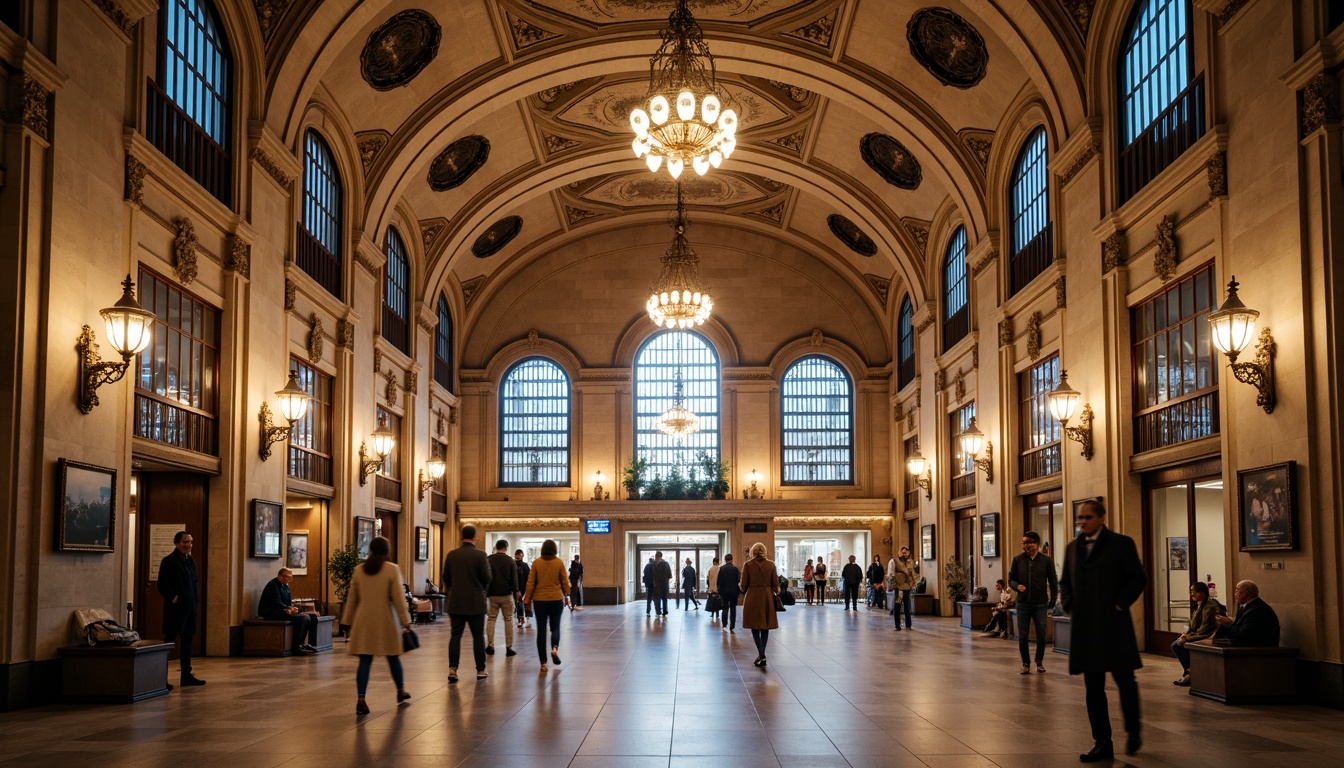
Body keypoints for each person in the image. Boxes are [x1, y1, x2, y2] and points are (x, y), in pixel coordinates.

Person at [1060, 499, 1146, 762]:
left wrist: (1120, 604)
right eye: (1079, 518)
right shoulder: (1073, 547)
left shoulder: (1121, 544)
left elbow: (1137, 578)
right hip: (1086, 628)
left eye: (1087, 517)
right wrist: (1069, 604)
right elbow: (1066, 581)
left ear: (1101, 518)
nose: (1082, 521)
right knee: (1093, 687)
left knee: (1125, 683)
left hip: (1114, 626)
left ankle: (1133, 731)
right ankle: (1102, 742)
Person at [345, 536, 412, 715]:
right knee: (393, 657)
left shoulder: (359, 570)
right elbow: (399, 599)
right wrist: (406, 621)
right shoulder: (392, 569)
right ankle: (400, 690)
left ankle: (361, 698)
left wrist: (347, 621)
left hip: (363, 621)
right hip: (386, 621)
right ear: (387, 551)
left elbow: (352, 598)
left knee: (365, 660)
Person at [442, 524, 492, 683]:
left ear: (461, 537)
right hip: (475, 603)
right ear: (475, 538)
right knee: (478, 637)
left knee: (455, 636)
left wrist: (453, 589)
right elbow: (487, 578)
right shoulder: (480, 555)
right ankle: (480, 670)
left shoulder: (452, 555)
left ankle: (453, 669)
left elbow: (446, 577)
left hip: (456, 602)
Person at [158, 531, 205, 688]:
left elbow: (194, 582)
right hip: (175, 610)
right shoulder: (169, 561)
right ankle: (160, 679)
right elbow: (162, 584)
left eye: (190, 542)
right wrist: (174, 598)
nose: (189, 545)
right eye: (185, 542)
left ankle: (186, 675)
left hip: (190, 608)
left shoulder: (190, 561)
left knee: (187, 642)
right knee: (169, 643)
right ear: (177, 543)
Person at [1009, 530, 1058, 673]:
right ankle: (1025, 663)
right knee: (1023, 635)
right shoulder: (1018, 559)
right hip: (1023, 603)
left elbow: (1053, 580)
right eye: (1023, 543)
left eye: (1028, 543)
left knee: (1041, 635)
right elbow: (1011, 579)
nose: (1025, 545)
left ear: (1036, 544)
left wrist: (1053, 599)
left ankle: (1039, 662)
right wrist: (1017, 586)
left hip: (1040, 603)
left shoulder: (1046, 560)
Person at [523, 539, 570, 672]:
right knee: (555, 627)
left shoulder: (537, 562)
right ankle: (554, 648)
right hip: (556, 599)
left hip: (540, 600)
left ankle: (543, 663)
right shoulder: (559, 562)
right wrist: (567, 594)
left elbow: (531, 582)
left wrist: (528, 598)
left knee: (541, 630)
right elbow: (564, 580)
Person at [1171, 581, 1225, 685]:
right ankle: (1190, 672)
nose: (1191, 594)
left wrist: (1187, 638)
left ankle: (1191, 673)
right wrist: (1185, 635)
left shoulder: (1210, 607)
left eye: (1193, 591)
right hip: (1201, 634)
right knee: (1177, 643)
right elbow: (1193, 626)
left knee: (1177, 645)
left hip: (1210, 636)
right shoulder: (1201, 605)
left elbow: (1205, 630)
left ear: (1201, 593)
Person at [258, 567, 318, 655]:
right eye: (288, 577)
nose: (290, 580)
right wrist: (288, 608)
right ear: (280, 577)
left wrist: (292, 608)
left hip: (283, 610)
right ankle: (296, 646)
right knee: (303, 618)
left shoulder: (285, 586)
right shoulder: (272, 585)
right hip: (272, 612)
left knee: (313, 617)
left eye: (291, 577)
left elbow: (288, 601)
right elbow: (276, 601)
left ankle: (308, 644)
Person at [740, 542, 780, 667]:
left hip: (752, 596)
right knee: (765, 625)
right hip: (767, 596)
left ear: (752, 552)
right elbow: (776, 584)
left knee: (754, 625)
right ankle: (762, 653)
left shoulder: (747, 565)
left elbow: (743, 586)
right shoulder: (771, 564)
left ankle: (761, 653)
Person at [1213, 580, 1280, 647]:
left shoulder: (1256, 610)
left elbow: (1243, 634)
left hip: (1259, 650)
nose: (1235, 594)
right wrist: (1228, 622)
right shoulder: (1248, 606)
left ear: (1245, 593)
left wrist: (1227, 623)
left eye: (1237, 590)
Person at [485, 539, 518, 658]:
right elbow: (514, 580)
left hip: (492, 595)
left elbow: (485, 577)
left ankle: (490, 646)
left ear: (496, 547)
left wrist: (485, 593)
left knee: (491, 619)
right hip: (506, 595)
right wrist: (516, 593)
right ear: (506, 548)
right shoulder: (510, 561)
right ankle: (509, 648)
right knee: (508, 620)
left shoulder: (488, 559)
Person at [888, 547, 918, 630]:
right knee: (897, 605)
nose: (904, 554)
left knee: (907, 606)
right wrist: (891, 585)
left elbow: (913, 573)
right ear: (899, 552)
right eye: (902, 552)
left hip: (907, 586)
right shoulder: (894, 561)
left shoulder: (910, 562)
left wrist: (914, 583)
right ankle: (897, 625)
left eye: (906, 552)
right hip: (899, 586)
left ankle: (908, 625)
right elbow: (891, 574)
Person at [717, 554, 741, 631]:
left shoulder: (721, 569)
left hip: (724, 592)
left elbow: (719, 581)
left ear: (725, 560)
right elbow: (738, 581)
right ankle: (732, 626)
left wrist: (719, 590)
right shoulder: (735, 569)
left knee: (725, 607)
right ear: (732, 559)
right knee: (733, 608)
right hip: (734, 592)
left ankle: (724, 625)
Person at [514, 549, 532, 630]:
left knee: (519, 604)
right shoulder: (525, 565)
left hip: (517, 588)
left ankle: (521, 619)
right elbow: (529, 577)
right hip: (523, 588)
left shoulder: (513, 564)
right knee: (523, 603)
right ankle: (525, 618)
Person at [651, 551, 673, 616]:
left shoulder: (654, 565)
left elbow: (653, 575)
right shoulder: (666, 564)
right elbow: (670, 575)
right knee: (664, 598)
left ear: (657, 557)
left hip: (657, 585)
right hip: (665, 584)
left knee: (657, 598)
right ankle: (665, 611)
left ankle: (658, 612)